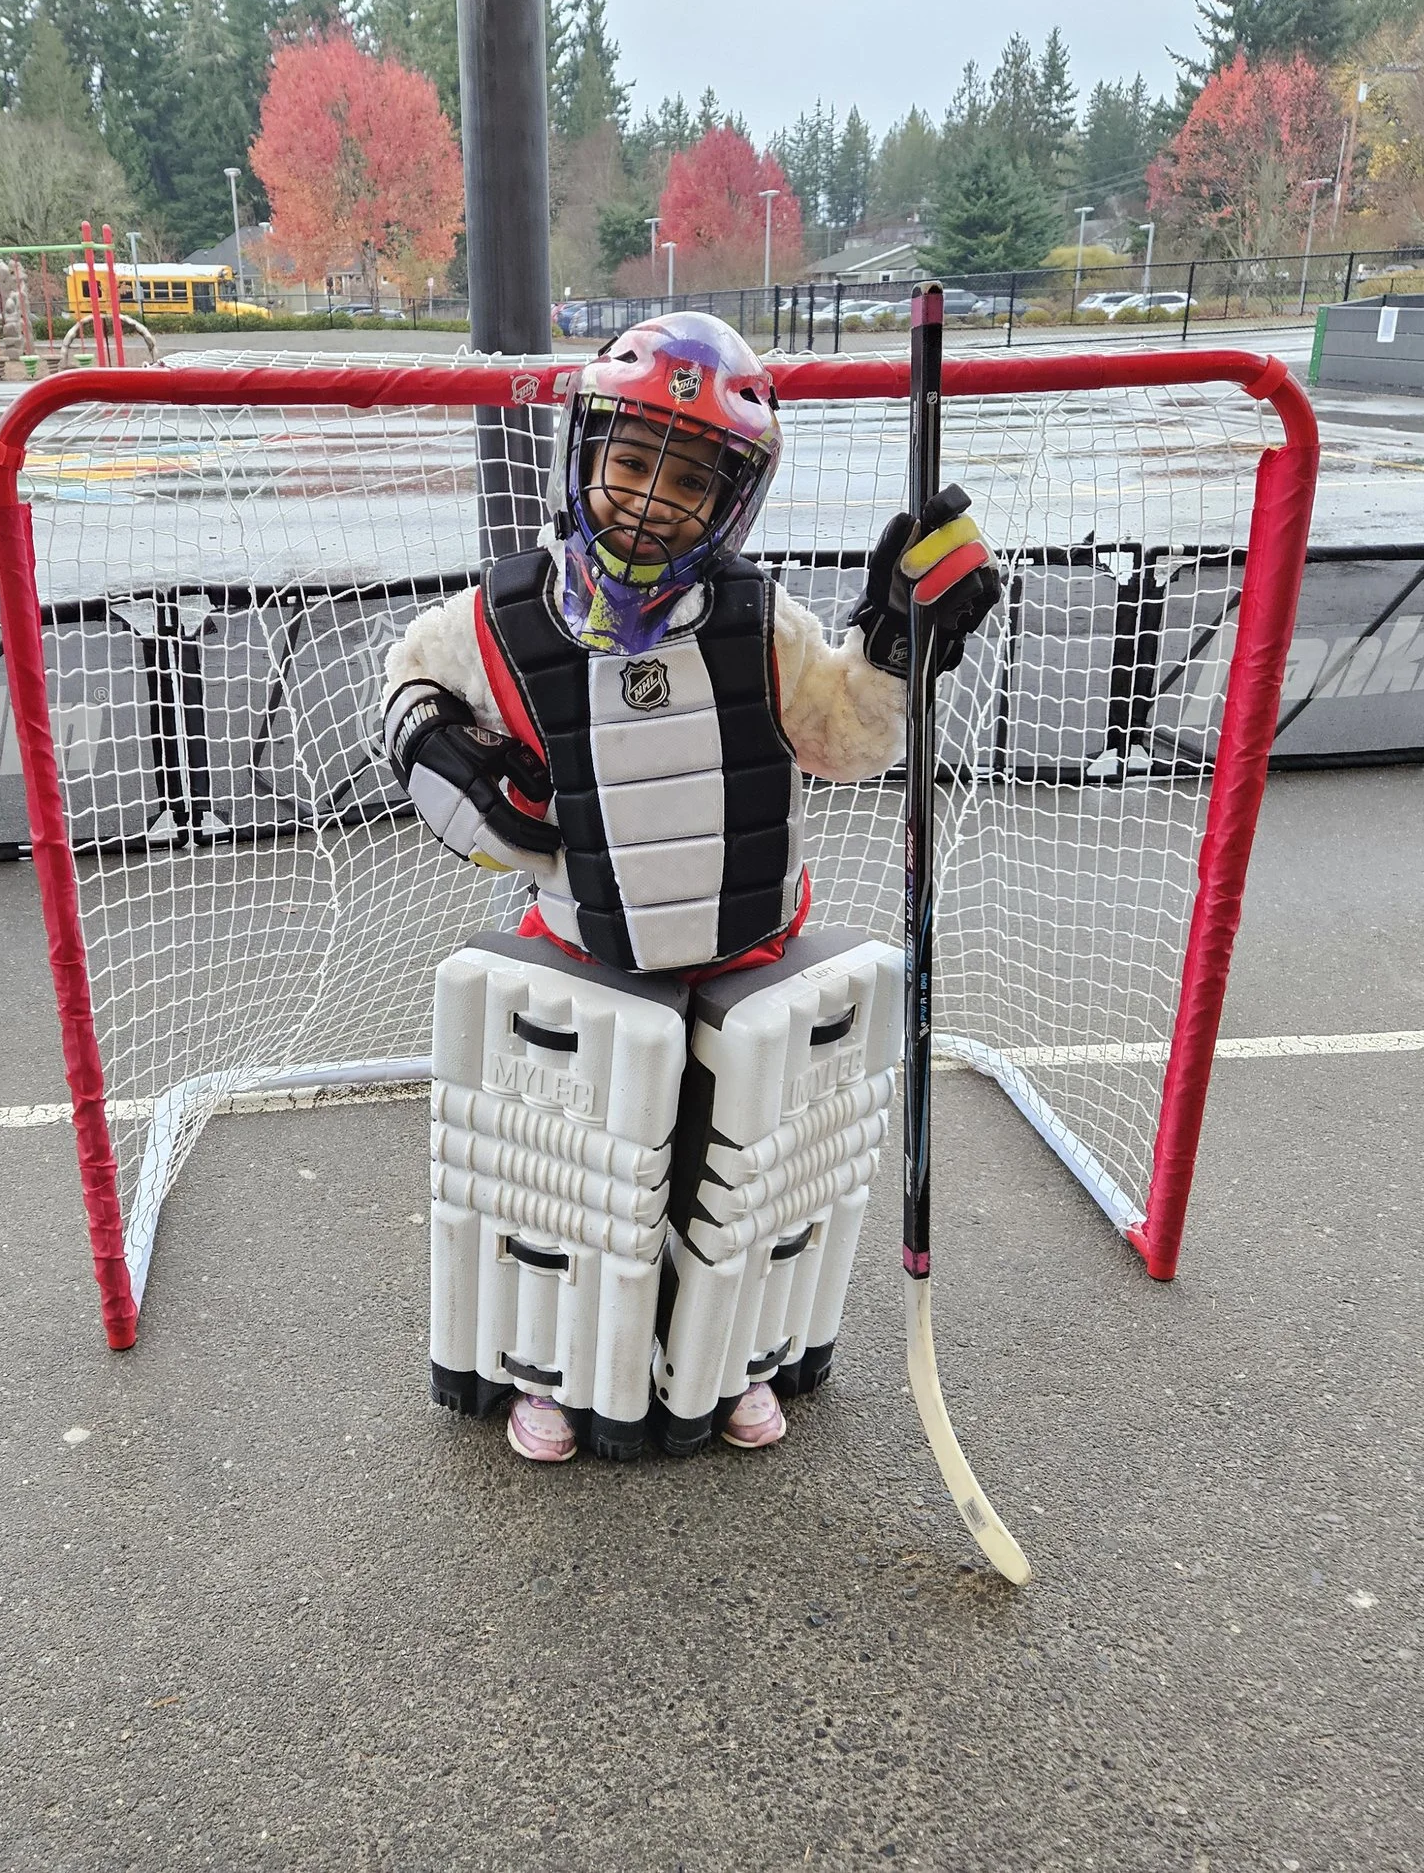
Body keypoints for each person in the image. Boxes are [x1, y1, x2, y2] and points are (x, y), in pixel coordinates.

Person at [383, 311, 1001, 1463]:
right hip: (585, 954)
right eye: (631, 460)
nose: (649, 497)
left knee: (744, 1179)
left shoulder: (765, 627)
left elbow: (851, 737)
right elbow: (413, 685)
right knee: (569, 1186)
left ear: (732, 499)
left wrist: (895, 647)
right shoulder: (492, 625)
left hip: (745, 953)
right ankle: (553, 1365)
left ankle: (732, 1362)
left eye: (689, 478)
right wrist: (438, 755)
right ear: (586, 451)